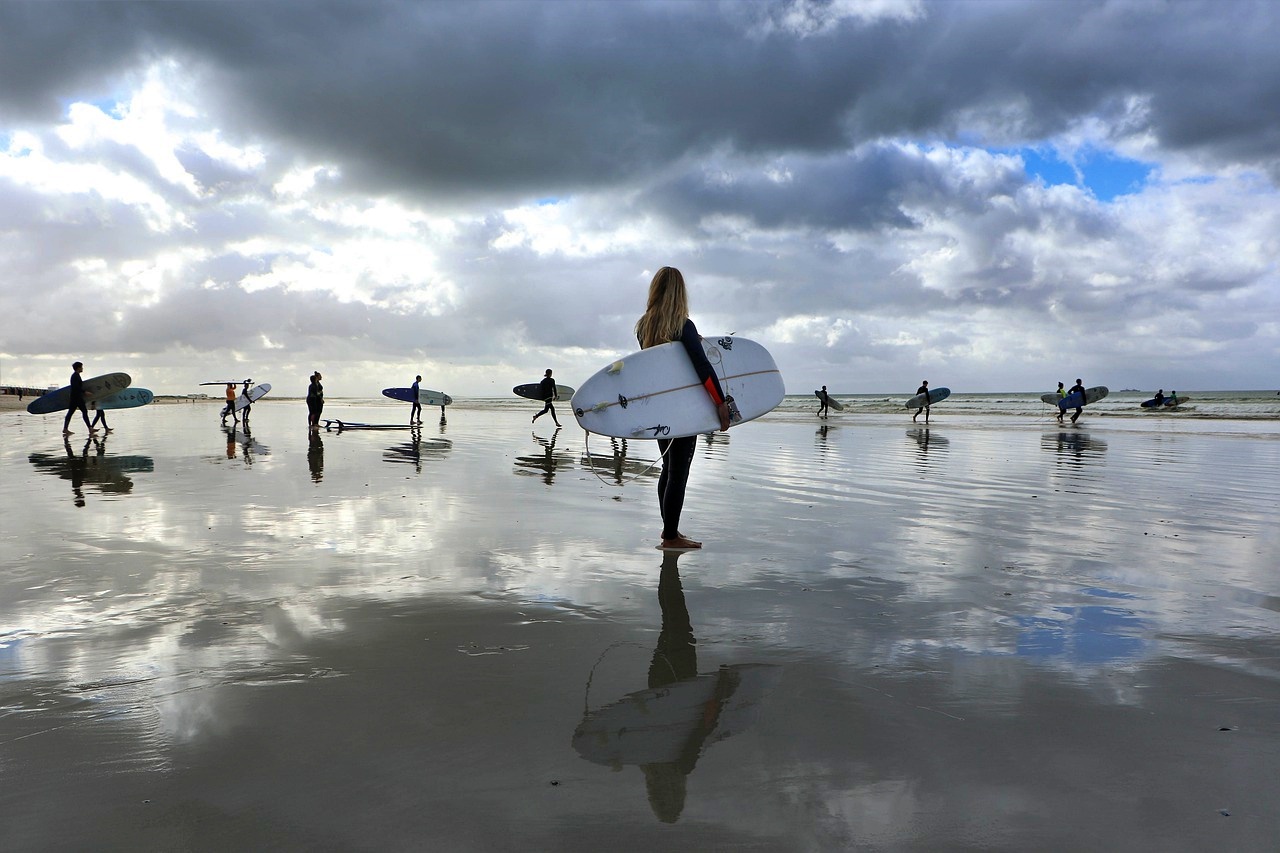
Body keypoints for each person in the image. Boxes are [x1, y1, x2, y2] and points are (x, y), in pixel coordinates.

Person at [635, 266, 731, 551]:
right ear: (680, 292)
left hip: (660, 409)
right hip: (684, 411)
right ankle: (670, 535)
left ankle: (669, 530)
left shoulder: (643, 326)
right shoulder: (682, 324)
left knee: (669, 467)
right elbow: (701, 367)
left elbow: (664, 365)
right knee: (679, 471)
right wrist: (721, 403)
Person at [62, 362, 96, 435]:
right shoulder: (75, 376)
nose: (82, 368)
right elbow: (75, 387)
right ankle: (89, 428)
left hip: (76, 397)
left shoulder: (76, 375)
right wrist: (84, 392)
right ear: (78, 368)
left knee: (80, 412)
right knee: (77, 412)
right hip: (76, 397)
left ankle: (90, 428)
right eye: (81, 367)